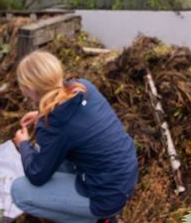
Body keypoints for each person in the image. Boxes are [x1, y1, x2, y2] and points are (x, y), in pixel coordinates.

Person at [10, 51, 138, 222]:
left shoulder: (53, 124)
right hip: (125, 177)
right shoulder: (82, 87)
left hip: (105, 196)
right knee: (56, 155)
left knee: (19, 190)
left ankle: (96, 218)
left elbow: (36, 174)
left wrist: (24, 144)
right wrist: (42, 112)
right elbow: (72, 124)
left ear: (30, 89)